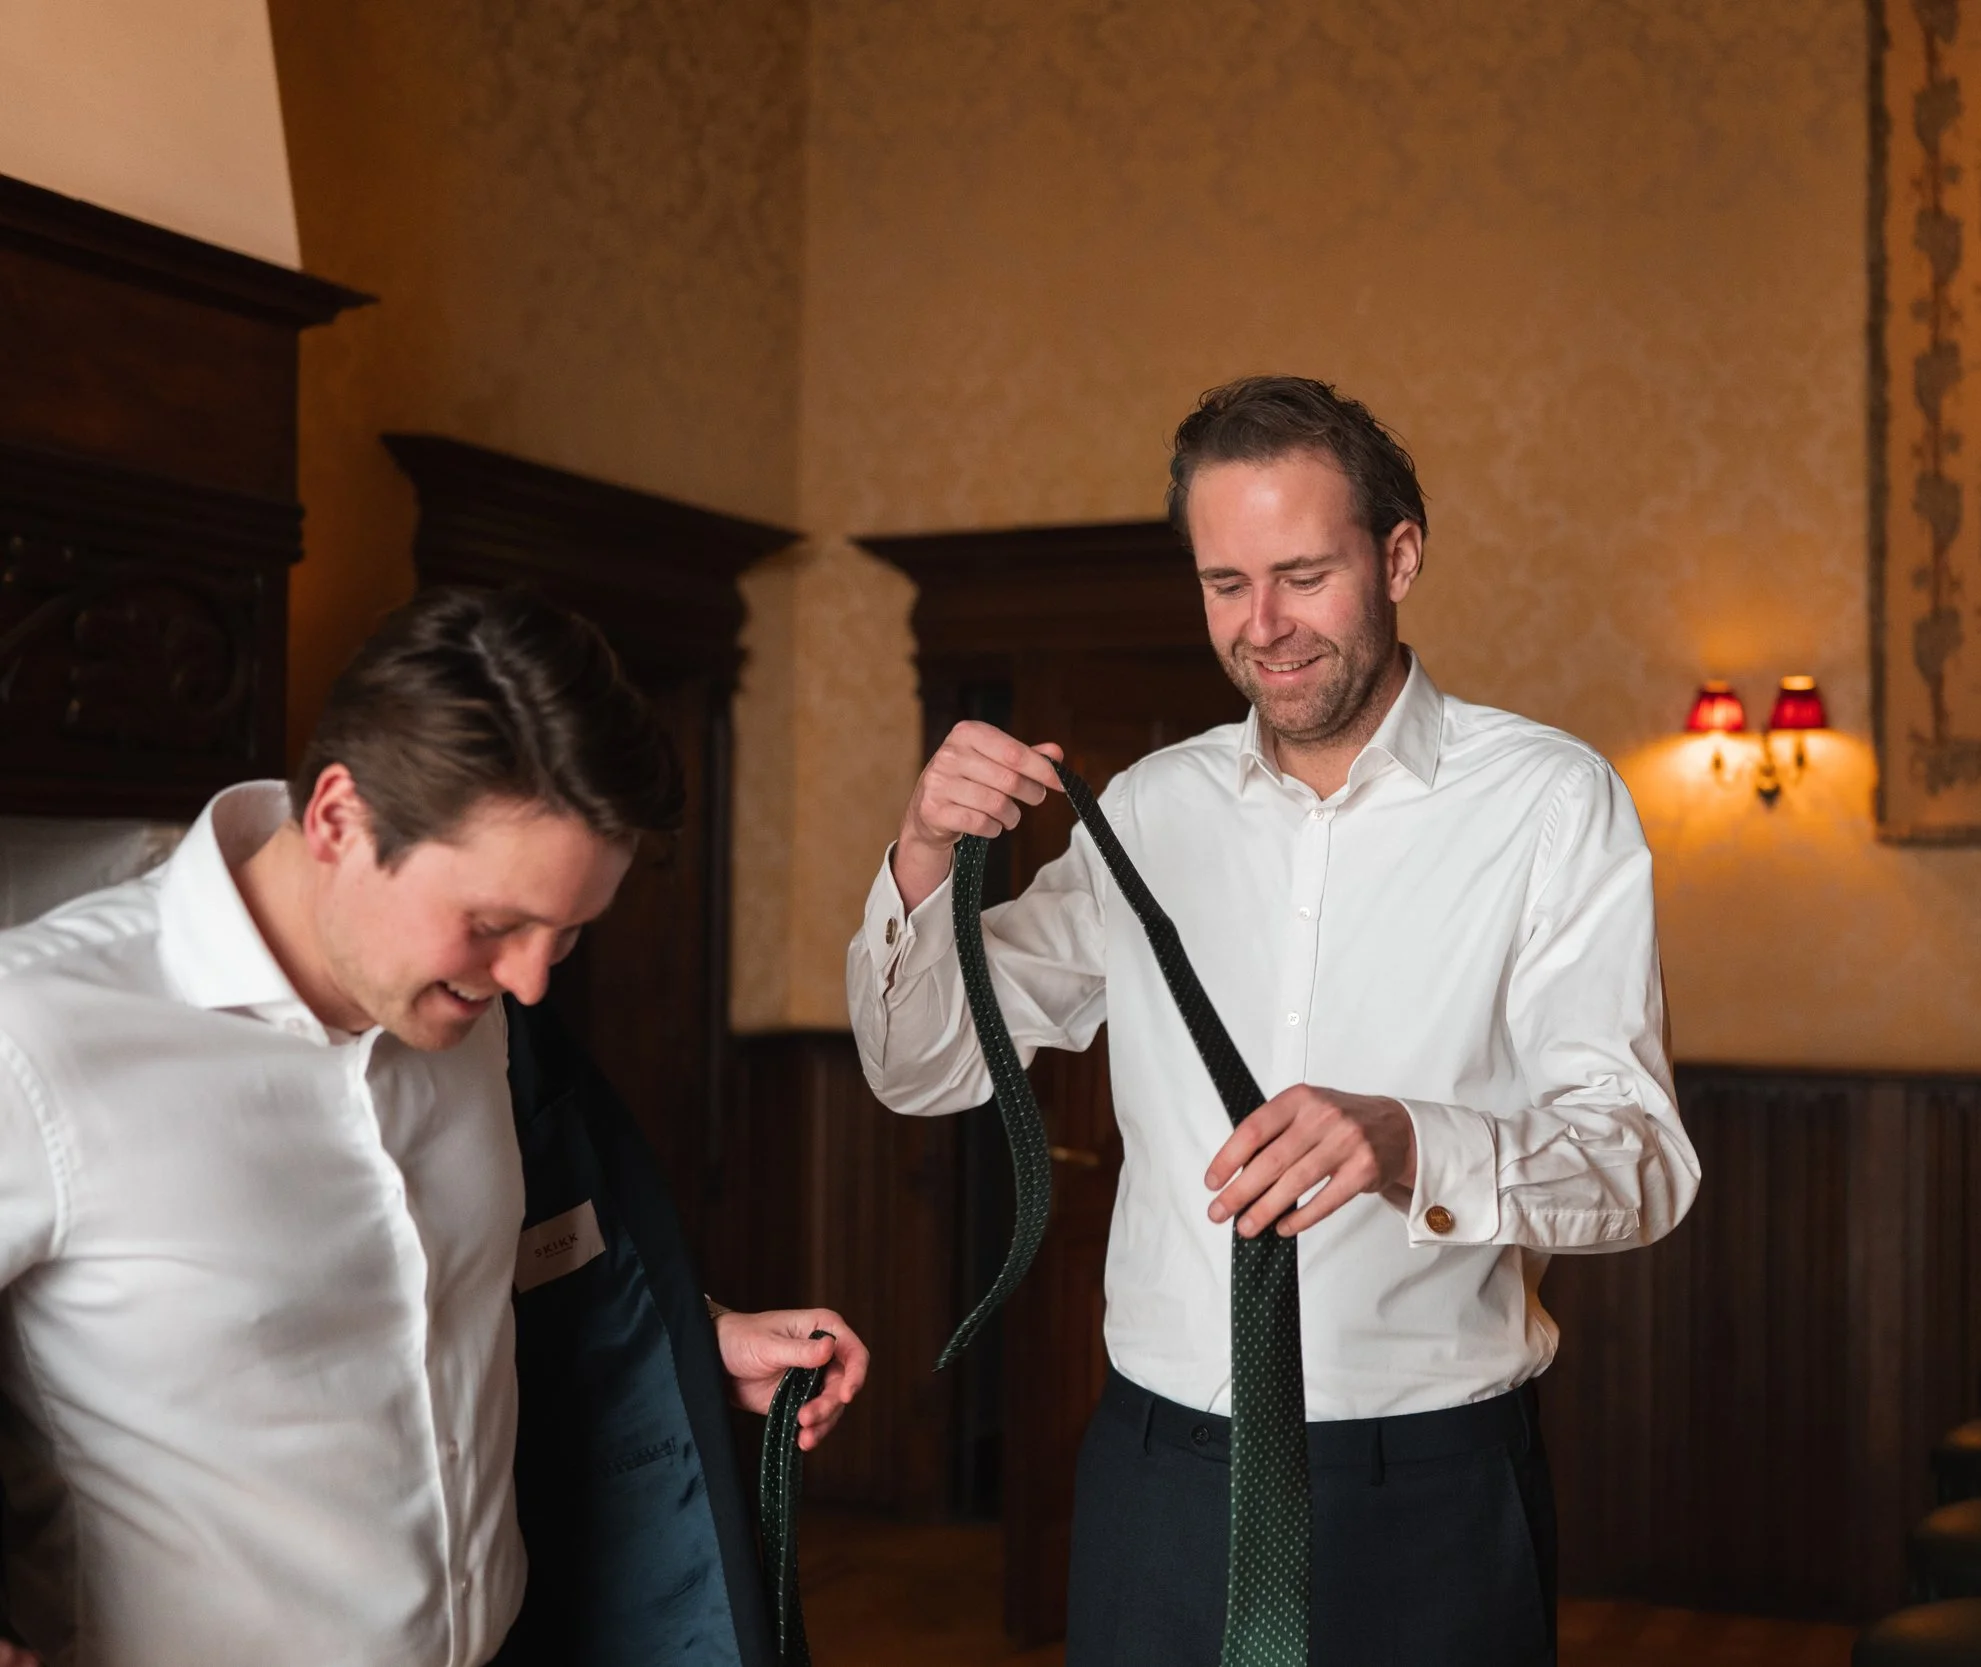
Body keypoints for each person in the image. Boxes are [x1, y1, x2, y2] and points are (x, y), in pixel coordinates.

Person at [846, 374, 1700, 1665]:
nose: (1265, 626)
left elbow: (1640, 1163)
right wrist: (919, 857)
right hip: (1161, 1465)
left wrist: (1408, 1138)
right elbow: (925, 1064)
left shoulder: (1550, 803)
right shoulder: (1148, 805)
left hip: (1426, 1479)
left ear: (1399, 554)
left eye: (1303, 574)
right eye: (1225, 582)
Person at [0, 588, 868, 1667]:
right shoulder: (31, 1035)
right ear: (337, 818)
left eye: (570, 934)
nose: (531, 981)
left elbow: (457, 1282)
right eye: (496, 923)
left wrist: (695, 1334)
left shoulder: (474, 1012)